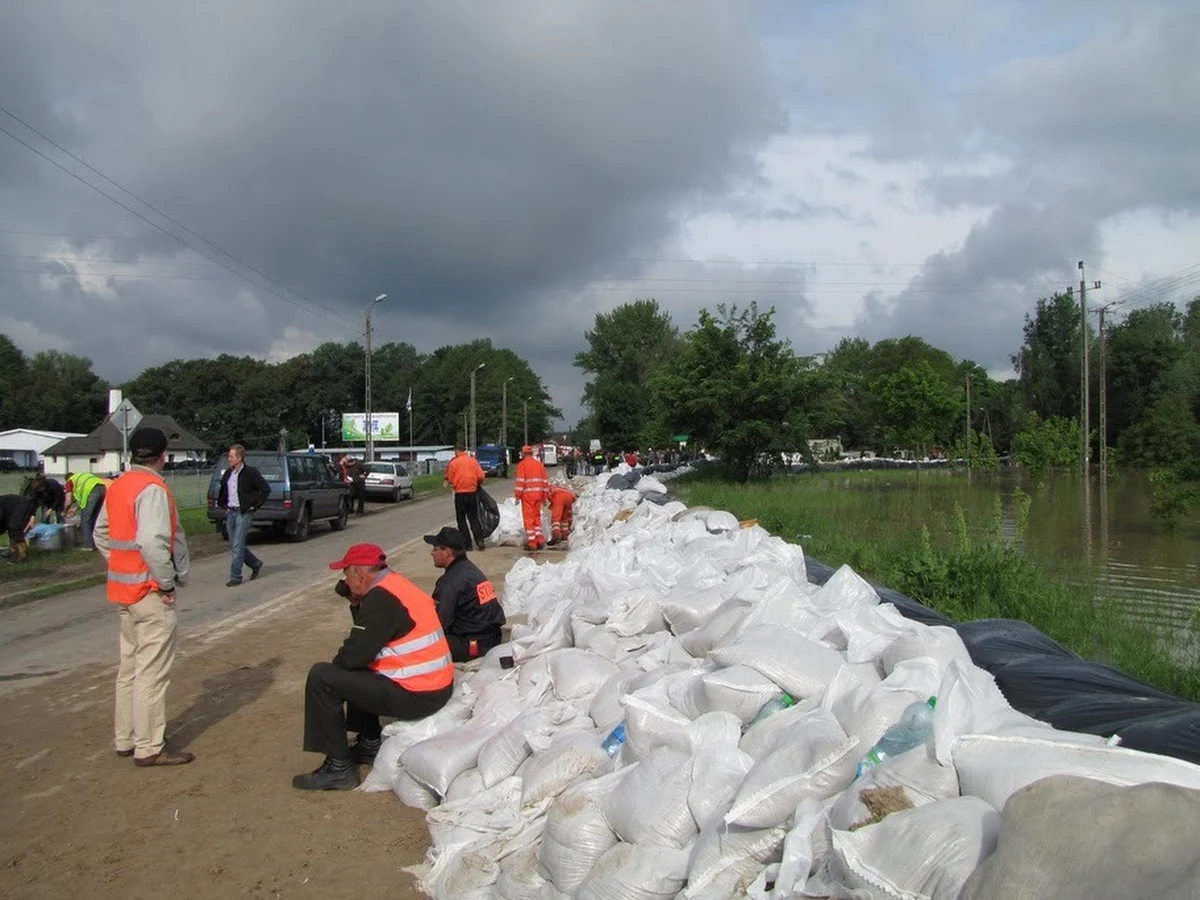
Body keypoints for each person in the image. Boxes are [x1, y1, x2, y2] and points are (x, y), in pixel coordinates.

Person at [294, 543, 454, 791]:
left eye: (345, 574)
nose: (344, 580)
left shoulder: (381, 599)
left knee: (322, 677)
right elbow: (368, 641)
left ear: (359, 573)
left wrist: (336, 676)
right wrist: (356, 601)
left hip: (419, 694)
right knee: (361, 668)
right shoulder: (395, 585)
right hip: (433, 685)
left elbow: (353, 655)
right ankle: (369, 743)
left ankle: (339, 768)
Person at [94, 426, 193, 767]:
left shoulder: (119, 485)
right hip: (150, 593)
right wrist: (164, 582)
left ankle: (126, 738)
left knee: (130, 669)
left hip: (125, 591)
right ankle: (149, 746)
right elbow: (152, 541)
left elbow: (101, 533)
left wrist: (121, 563)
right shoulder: (152, 488)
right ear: (163, 455)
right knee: (151, 672)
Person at [424, 526, 505, 661]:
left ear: (447, 552)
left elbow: (439, 622)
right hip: (492, 638)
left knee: (421, 645)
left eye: (435, 548)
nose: (432, 553)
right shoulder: (470, 569)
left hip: (473, 645)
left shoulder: (450, 582)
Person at [217, 445, 270, 587]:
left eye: (232, 457)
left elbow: (265, 489)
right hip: (231, 511)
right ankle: (255, 563)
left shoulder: (251, 473)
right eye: (229, 456)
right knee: (234, 544)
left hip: (244, 512)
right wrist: (224, 505)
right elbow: (224, 490)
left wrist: (254, 505)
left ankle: (235, 576)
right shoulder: (229, 473)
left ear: (239, 458)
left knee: (237, 544)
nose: (229, 459)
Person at [444, 445, 487, 551]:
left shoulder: (454, 463)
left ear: (456, 451)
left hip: (460, 493)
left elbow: (449, 478)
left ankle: (467, 544)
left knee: (461, 520)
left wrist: (454, 483)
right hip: (472, 492)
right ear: (464, 450)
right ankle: (479, 540)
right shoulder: (473, 461)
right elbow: (481, 476)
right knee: (474, 518)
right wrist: (477, 484)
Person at [514, 444, 549, 551]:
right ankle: (540, 540)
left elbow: (521, 482)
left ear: (524, 454)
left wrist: (517, 496)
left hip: (527, 496)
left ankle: (532, 543)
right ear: (532, 453)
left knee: (529, 520)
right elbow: (545, 482)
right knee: (536, 519)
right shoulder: (539, 465)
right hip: (538, 496)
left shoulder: (522, 465)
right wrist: (544, 497)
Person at [66, 471, 109, 550]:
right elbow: (85, 498)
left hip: (92, 492)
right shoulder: (81, 476)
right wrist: (75, 509)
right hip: (102, 488)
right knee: (95, 519)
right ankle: (98, 543)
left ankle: (88, 545)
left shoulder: (70, 481)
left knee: (85, 521)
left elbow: (68, 501)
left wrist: (64, 510)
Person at [1, 493, 36, 563]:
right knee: (11, 528)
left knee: (15, 528)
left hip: (21, 505)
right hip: (16, 505)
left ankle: (22, 555)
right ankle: (12, 551)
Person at [548, 482, 577, 547]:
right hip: (570, 497)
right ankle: (565, 535)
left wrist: (552, 505)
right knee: (565, 518)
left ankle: (556, 535)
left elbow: (550, 497)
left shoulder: (548, 488)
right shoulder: (561, 487)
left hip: (559, 497)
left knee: (556, 518)